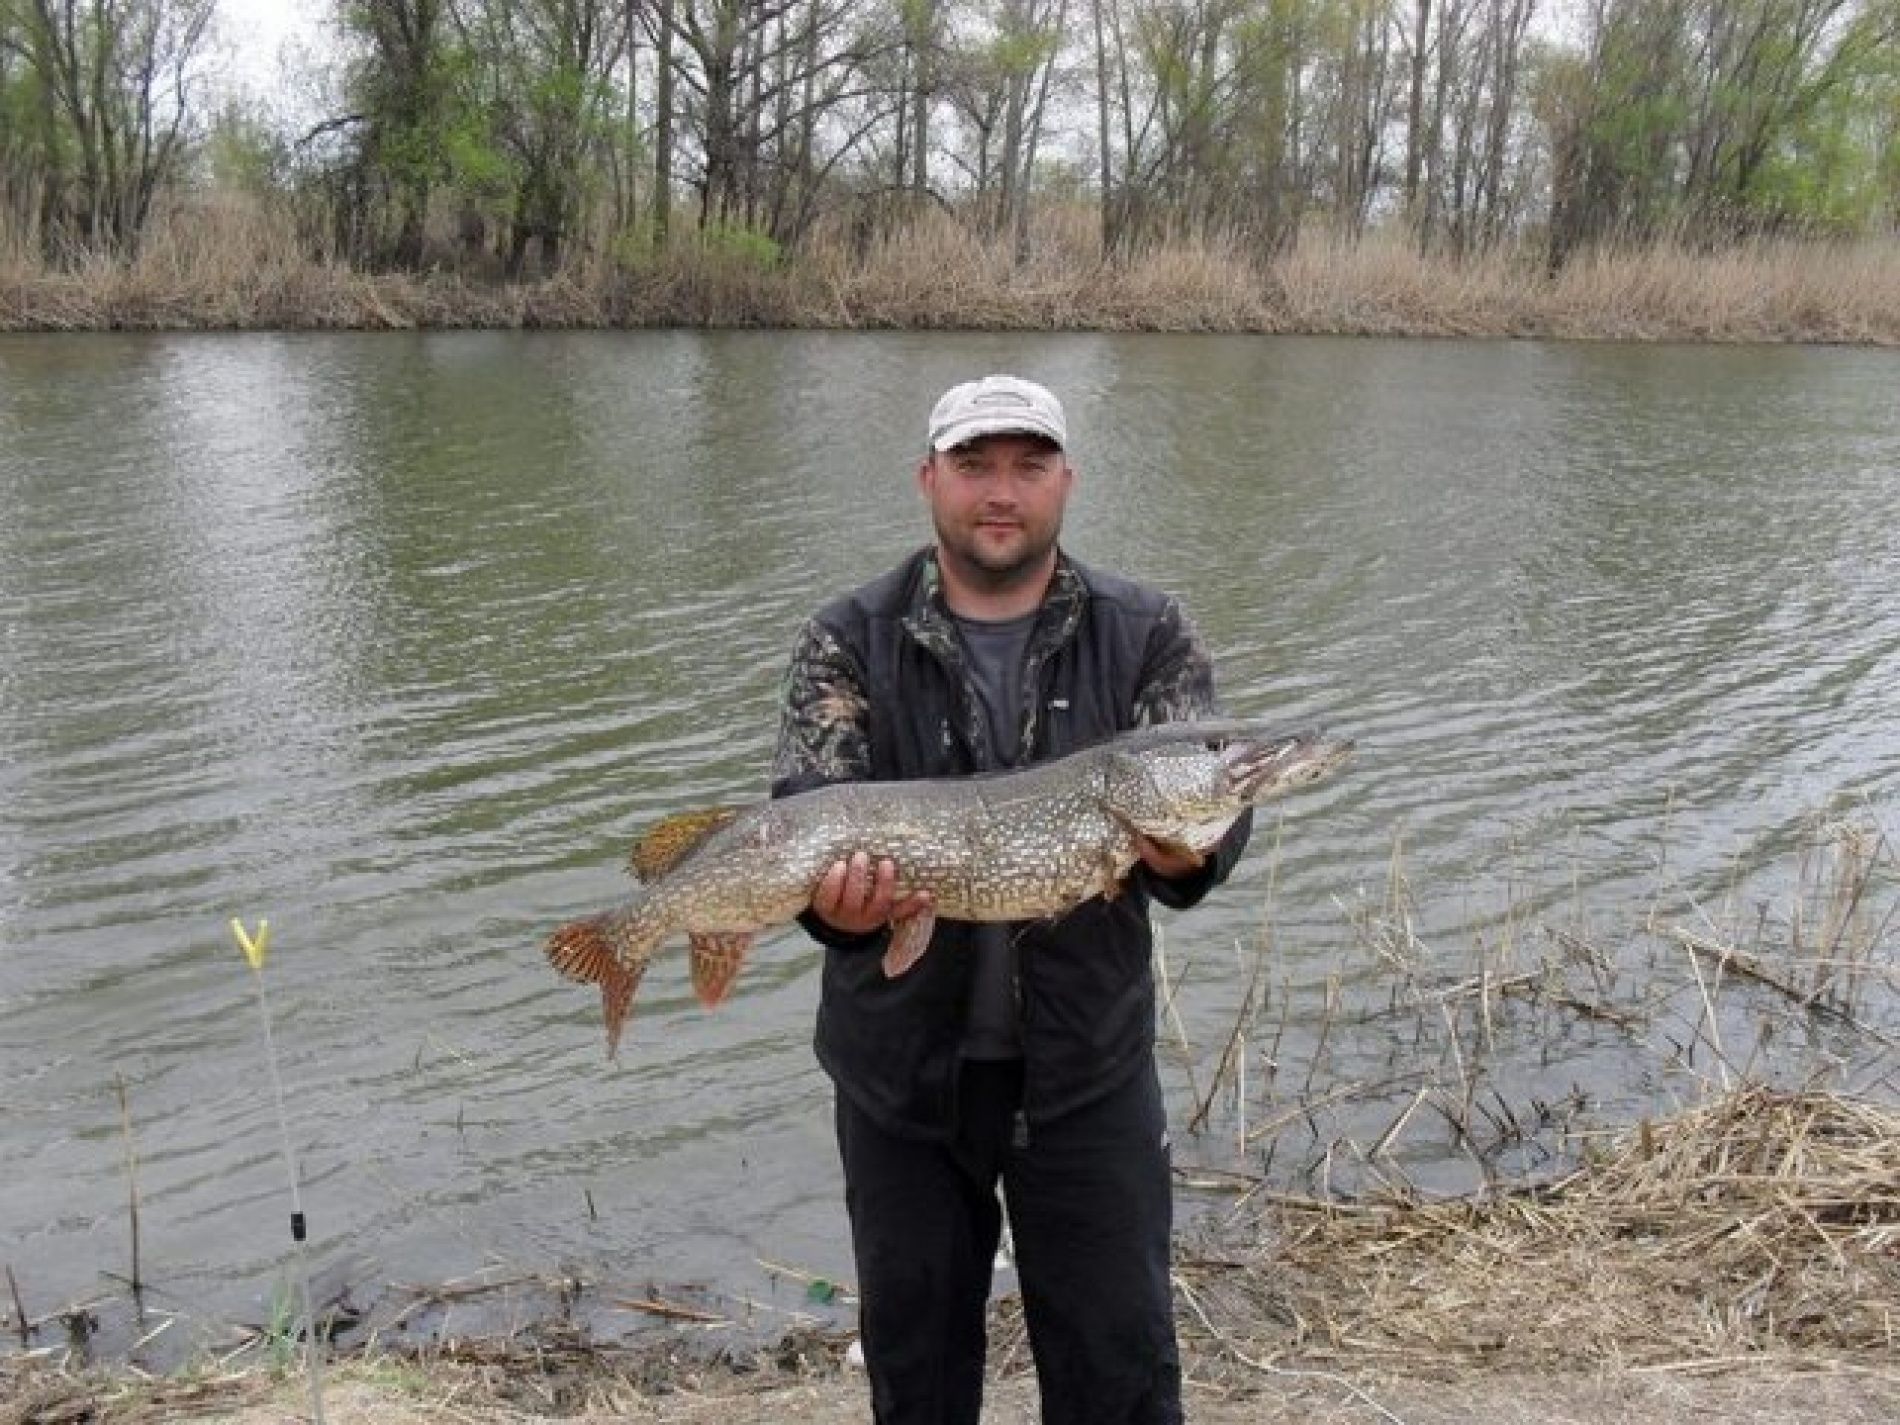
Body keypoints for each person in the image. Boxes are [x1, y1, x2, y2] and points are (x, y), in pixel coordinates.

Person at [769, 374, 1252, 1425]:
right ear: (928, 478)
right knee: (920, 1383)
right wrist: (836, 912)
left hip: (1086, 1077)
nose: (1001, 492)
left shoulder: (1147, 630)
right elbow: (807, 820)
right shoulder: (847, 637)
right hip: (902, 1087)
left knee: (1118, 1381)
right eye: (975, 465)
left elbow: (1208, 803)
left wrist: (1184, 855)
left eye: (1028, 466)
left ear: (1065, 481)